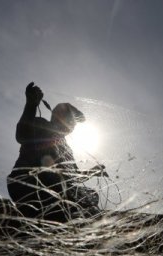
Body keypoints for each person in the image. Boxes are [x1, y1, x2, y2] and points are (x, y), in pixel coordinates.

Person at [7, 82, 104, 221]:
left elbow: (74, 176)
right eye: (70, 121)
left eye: (74, 124)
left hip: (53, 193)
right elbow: (21, 135)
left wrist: (94, 171)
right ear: (59, 117)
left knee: (91, 195)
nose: (73, 126)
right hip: (25, 185)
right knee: (73, 200)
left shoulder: (66, 148)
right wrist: (31, 105)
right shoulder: (41, 124)